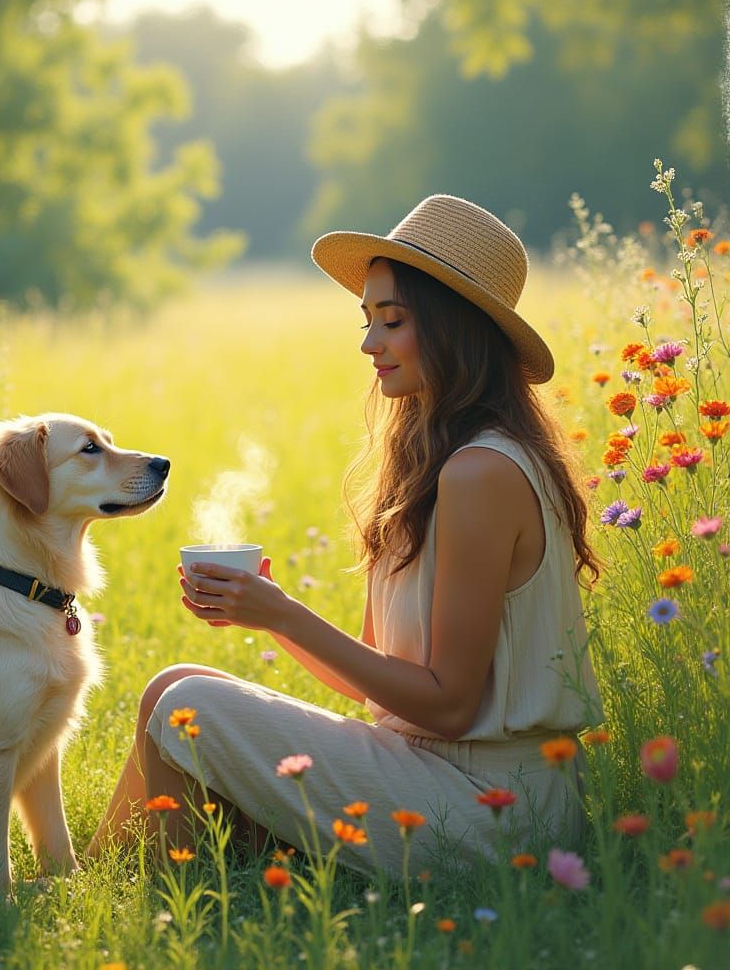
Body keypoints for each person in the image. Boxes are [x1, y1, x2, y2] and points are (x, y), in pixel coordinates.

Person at [87, 194, 603, 876]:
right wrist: (269, 615)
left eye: (392, 321)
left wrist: (285, 613)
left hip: (493, 807)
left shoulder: (483, 472)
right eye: (367, 321)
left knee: (187, 704)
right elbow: (381, 681)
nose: (369, 343)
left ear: (456, 330)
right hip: (425, 769)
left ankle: (170, 891)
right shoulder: (435, 464)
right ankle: (102, 878)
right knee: (174, 685)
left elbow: (448, 706)